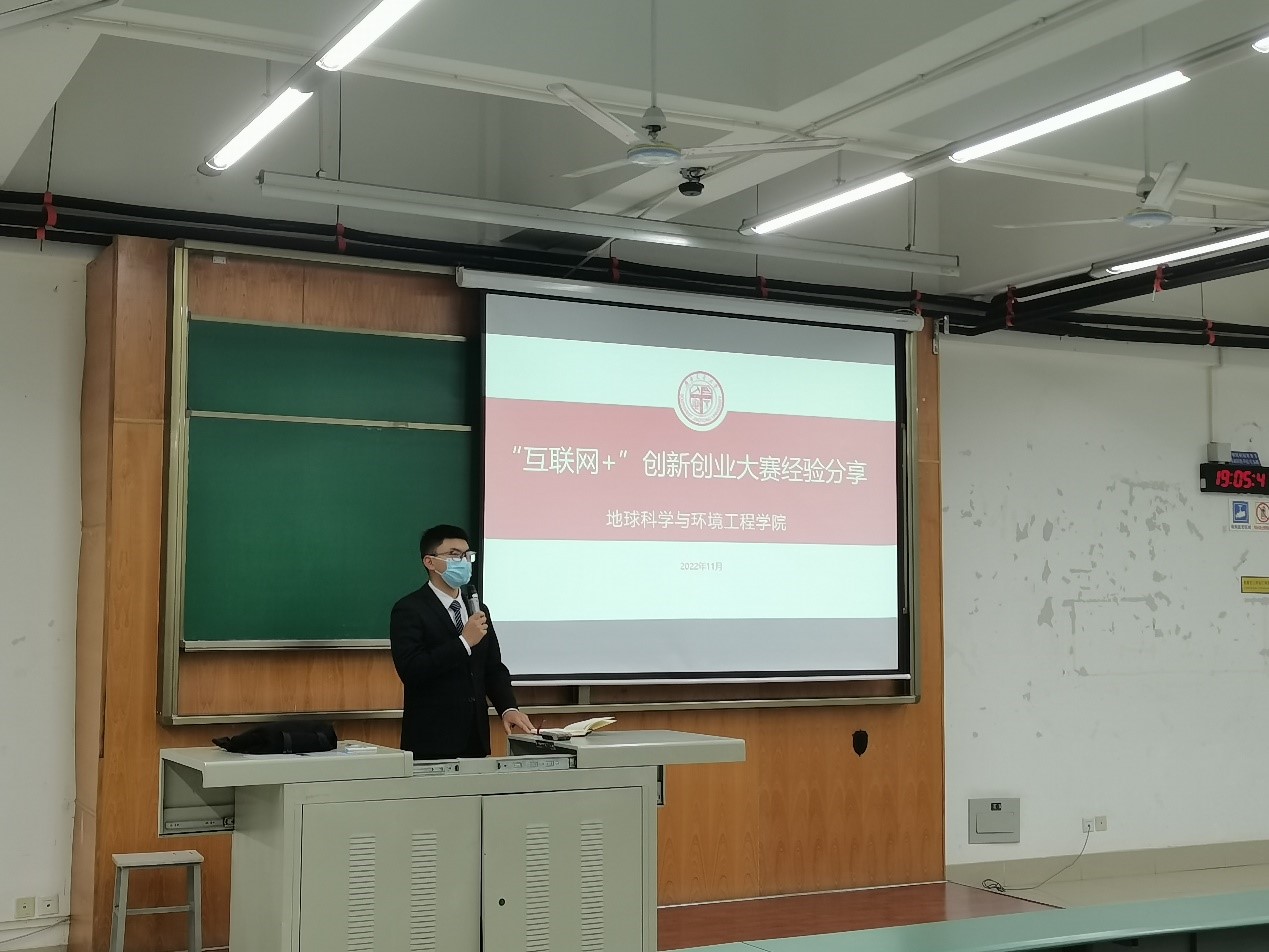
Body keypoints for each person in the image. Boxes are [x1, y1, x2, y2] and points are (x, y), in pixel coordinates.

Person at [390, 524, 535, 759]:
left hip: (475, 738)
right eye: (454, 555)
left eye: (467, 555)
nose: (464, 562)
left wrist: (508, 708)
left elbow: (493, 668)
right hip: (432, 740)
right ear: (430, 562)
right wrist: (464, 642)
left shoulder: (477, 608)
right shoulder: (409, 609)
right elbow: (412, 670)